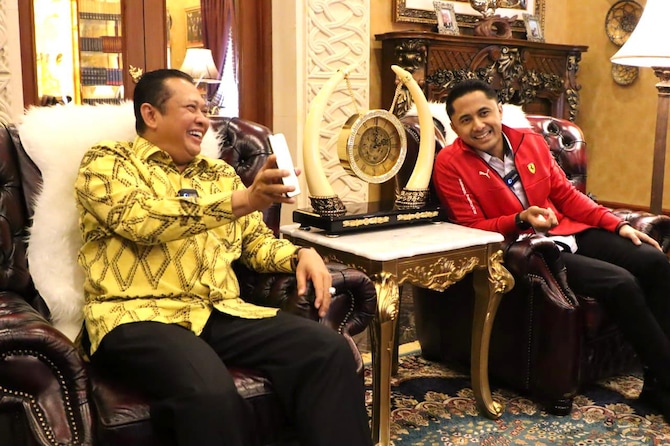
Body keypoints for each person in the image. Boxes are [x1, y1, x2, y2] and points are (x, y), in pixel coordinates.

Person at [74, 68, 372, 446]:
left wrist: (300, 254)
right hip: (137, 316)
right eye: (190, 108)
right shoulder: (108, 162)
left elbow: (255, 243)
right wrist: (244, 199)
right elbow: (140, 220)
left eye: (205, 109)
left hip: (218, 312)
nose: (203, 119)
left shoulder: (219, 175)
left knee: (326, 350)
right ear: (150, 114)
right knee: (209, 392)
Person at [432, 78, 670, 420]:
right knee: (621, 283)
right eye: (466, 120)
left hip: (566, 231)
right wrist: (519, 219)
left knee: (653, 260)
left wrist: (617, 224)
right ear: (455, 127)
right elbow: (469, 226)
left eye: (484, 113)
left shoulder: (529, 141)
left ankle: (657, 384)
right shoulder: (449, 163)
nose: (478, 125)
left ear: (499, 111)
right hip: (529, 250)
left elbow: (566, 196)